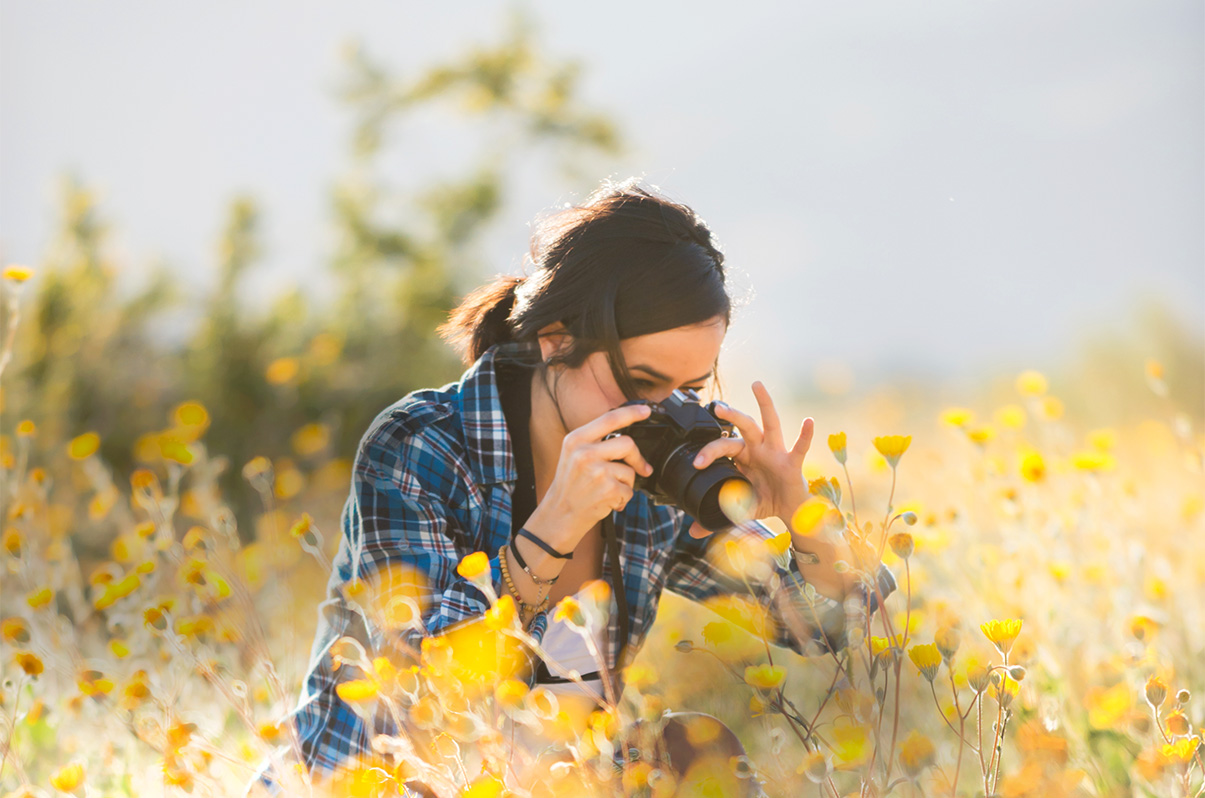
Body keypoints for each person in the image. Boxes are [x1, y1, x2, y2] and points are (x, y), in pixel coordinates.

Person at [247, 177, 896, 797]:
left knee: (695, 753)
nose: (663, 415)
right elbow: (419, 687)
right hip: (376, 779)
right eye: (643, 384)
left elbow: (828, 628)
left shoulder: (655, 471)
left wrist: (800, 514)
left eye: (689, 392)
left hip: (544, 780)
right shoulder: (421, 444)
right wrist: (550, 531)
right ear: (556, 341)